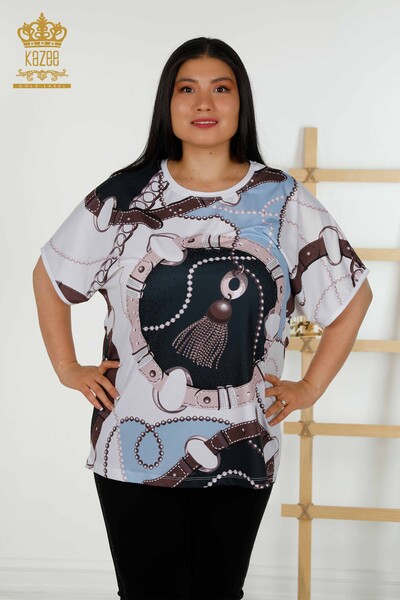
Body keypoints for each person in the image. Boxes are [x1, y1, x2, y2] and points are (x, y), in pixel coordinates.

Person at [32, 36, 373, 600]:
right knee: (146, 593)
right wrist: (67, 367)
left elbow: (351, 296)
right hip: (131, 442)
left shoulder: (282, 198)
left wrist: (310, 386)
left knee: (219, 592)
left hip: (243, 446)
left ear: (241, 103)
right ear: (168, 104)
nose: (204, 103)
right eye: (187, 89)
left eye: (221, 88)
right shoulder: (127, 194)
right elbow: (51, 274)